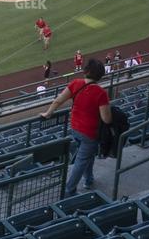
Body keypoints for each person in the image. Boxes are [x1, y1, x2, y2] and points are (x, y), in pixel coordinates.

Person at [41, 59, 112, 196]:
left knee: (87, 156)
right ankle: (69, 190)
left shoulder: (75, 83)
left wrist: (48, 113)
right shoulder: (101, 93)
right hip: (90, 133)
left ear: (86, 71)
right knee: (82, 159)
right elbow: (106, 119)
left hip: (75, 128)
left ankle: (89, 179)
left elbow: (58, 100)